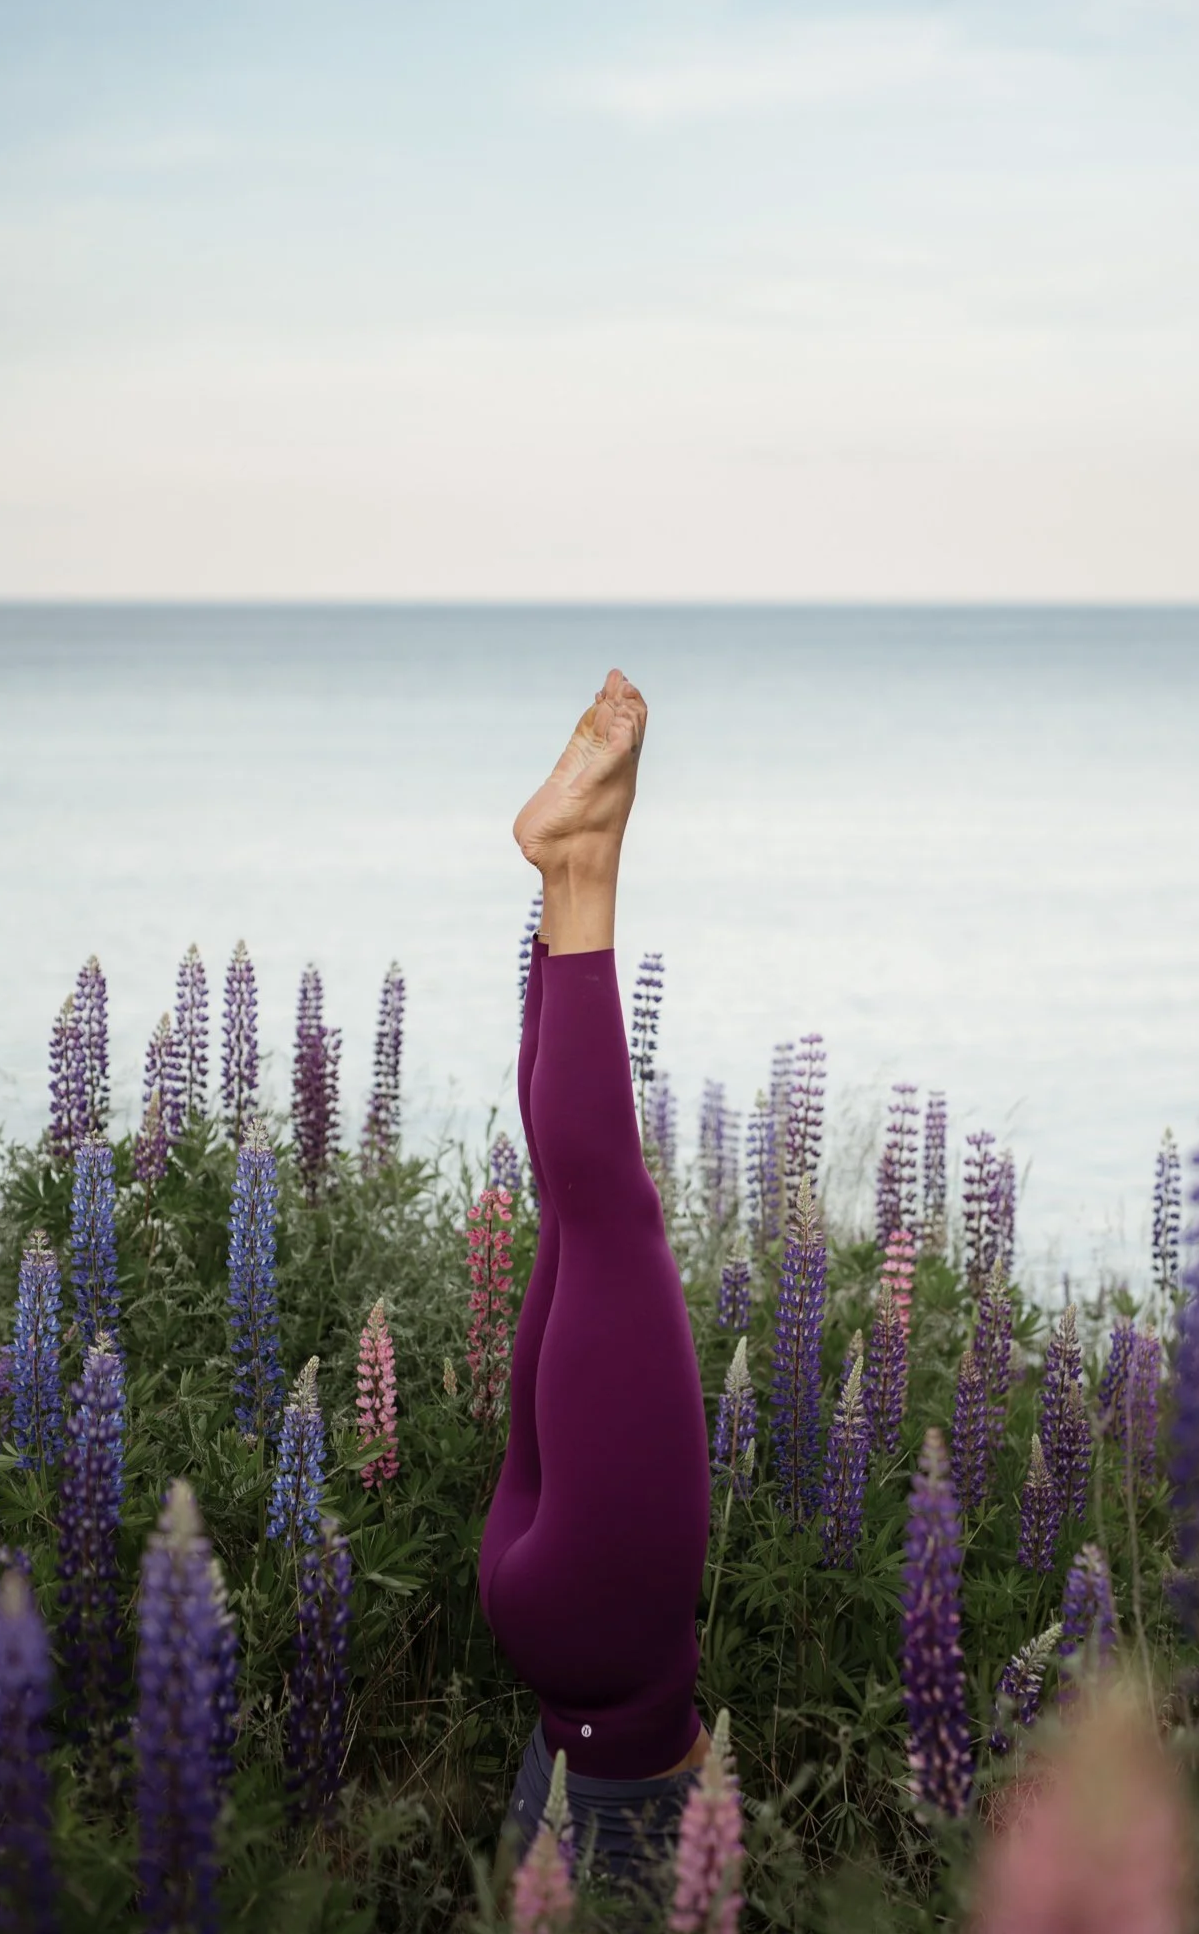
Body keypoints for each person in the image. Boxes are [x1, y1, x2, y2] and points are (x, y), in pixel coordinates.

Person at [478, 669, 714, 1905]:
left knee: (602, 1210)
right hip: (582, 1673)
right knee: (582, 1206)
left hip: (604, 1667)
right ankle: (571, 874)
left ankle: (576, 874)